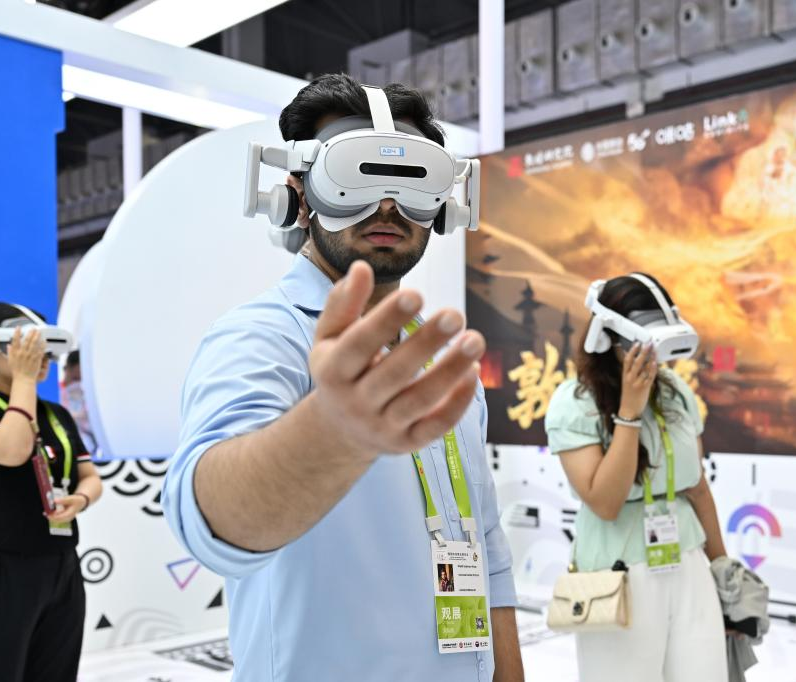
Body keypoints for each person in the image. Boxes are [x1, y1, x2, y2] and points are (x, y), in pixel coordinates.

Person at [162, 74, 522, 681]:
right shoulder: (262, 337)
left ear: (445, 204)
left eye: (412, 181)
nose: (387, 205)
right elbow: (212, 524)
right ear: (297, 197)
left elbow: (484, 542)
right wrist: (332, 432)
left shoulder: (438, 360)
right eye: (355, 176)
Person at [544, 274, 728, 682]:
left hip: (688, 563)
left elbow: (697, 487)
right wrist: (629, 412)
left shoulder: (675, 391)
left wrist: (723, 569)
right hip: (618, 576)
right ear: (609, 336)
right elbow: (605, 502)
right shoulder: (574, 403)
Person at [0, 302, 102, 682]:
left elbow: (90, 477)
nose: (39, 358)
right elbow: (13, 451)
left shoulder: (57, 415)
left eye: (44, 350)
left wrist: (80, 499)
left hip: (61, 566)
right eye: (25, 348)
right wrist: (25, 381)